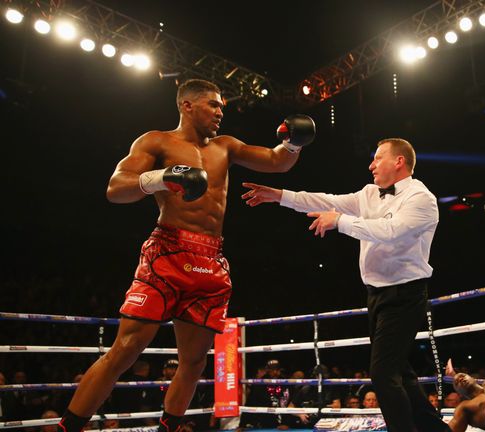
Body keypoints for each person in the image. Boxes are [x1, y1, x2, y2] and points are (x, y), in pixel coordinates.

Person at [56, 79, 314, 432]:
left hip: (210, 260)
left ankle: (169, 428)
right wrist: (161, 178)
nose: (220, 111)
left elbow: (275, 161)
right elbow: (116, 188)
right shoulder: (156, 141)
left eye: (222, 106)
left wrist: (293, 142)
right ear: (187, 105)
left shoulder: (226, 146)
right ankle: (66, 427)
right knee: (126, 349)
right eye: (213, 104)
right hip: (168, 251)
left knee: (193, 361)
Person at [241, 138, 444, 432]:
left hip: (405, 294)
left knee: (383, 373)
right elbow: (327, 200)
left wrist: (340, 222)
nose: (371, 164)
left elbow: (389, 231)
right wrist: (280, 196)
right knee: (400, 372)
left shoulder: (420, 198)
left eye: (378, 158)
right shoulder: (369, 194)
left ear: (399, 162)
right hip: (376, 294)